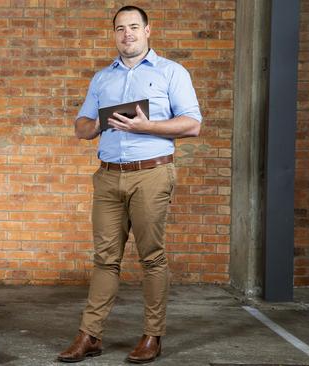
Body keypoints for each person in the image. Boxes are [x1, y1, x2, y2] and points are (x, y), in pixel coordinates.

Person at [57, 5, 202, 364]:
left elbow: (192, 124)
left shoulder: (172, 72)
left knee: (152, 258)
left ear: (148, 31)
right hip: (108, 176)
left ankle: (152, 336)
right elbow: (81, 126)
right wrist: (94, 126)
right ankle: (89, 335)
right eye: (120, 29)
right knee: (105, 259)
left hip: (151, 173)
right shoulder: (102, 78)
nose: (127, 35)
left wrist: (145, 127)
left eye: (134, 27)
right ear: (115, 34)